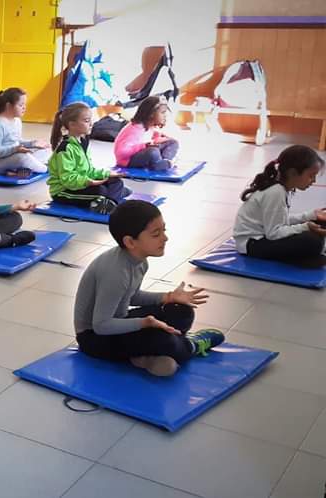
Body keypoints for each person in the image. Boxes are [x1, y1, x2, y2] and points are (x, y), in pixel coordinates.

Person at [75, 200, 226, 377]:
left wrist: (169, 297)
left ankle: (144, 356)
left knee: (182, 311)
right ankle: (189, 346)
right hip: (94, 338)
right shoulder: (115, 272)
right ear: (131, 241)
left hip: (119, 322)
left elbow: (131, 297)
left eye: (164, 230)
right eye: (156, 234)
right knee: (164, 340)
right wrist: (144, 323)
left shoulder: (139, 261)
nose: (165, 238)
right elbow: (101, 325)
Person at [233, 144, 326, 267]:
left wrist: (311, 215)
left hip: (263, 237)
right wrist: (305, 227)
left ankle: (307, 255)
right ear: (293, 173)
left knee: (318, 223)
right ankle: (300, 259)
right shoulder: (275, 192)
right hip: (253, 245)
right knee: (312, 241)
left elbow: (280, 220)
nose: (313, 181)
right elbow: (274, 233)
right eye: (311, 176)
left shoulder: (281, 188)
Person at [48, 102, 130, 213]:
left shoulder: (83, 142)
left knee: (116, 182)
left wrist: (107, 174)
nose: (91, 124)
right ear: (72, 125)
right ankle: (109, 199)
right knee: (100, 190)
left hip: (80, 184)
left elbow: (89, 170)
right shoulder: (65, 149)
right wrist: (88, 182)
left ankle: (109, 201)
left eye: (91, 120)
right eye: (86, 121)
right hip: (64, 191)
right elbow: (67, 179)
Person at [0, 87, 50, 176]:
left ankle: (21, 169)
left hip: (13, 156)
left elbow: (17, 141)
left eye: (24, 104)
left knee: (45, 150)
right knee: (22, 158)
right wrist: (15, 150)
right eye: (21, 105)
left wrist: (33, 143)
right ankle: (47, 169)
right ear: (8, 106)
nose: (24, 108)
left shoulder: (17, 121)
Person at [113, 96, 179, 170]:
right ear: (151, 114)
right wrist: (144, 145)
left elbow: (152, 138)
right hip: (128, 161)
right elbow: (121, 152)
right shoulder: (134, 129)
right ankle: (159, 165)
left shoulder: (149, 125)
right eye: (163, 112)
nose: (165, 115)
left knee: (172, 142)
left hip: (144, 153)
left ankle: (164, 161)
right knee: (153, 152)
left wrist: (161, 138)